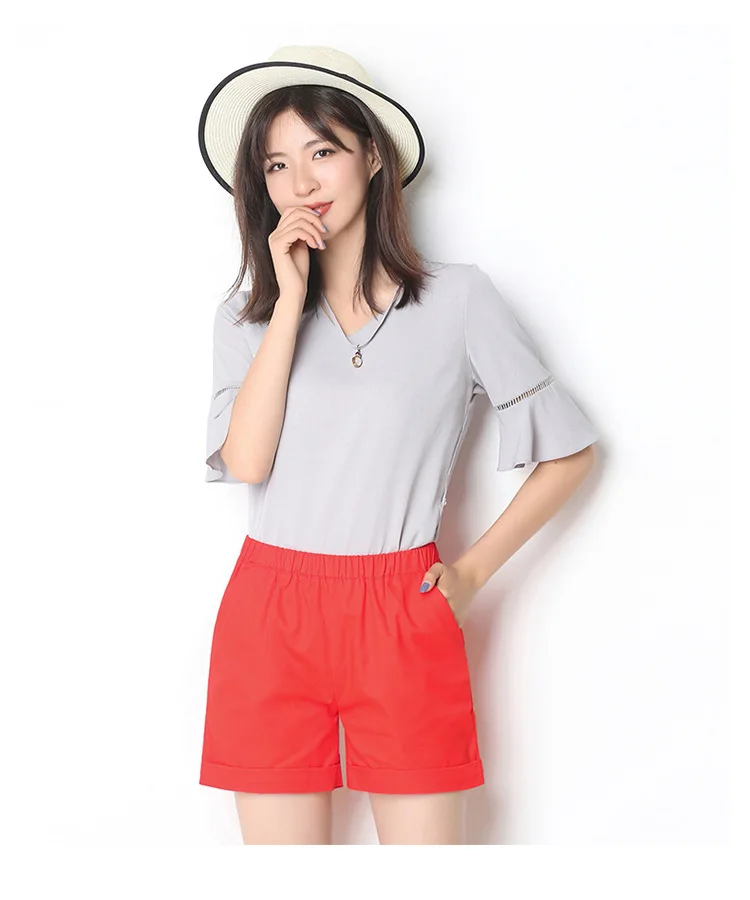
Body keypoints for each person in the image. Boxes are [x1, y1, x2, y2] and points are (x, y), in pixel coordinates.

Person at [197, 45, 600, 845]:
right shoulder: (247, 316)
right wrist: (289, 302)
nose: (301, 182)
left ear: (373, 156)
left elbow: (570, 452)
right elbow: (247, 463)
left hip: (401, 609)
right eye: (277, 165)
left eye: (322, 152)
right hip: (270, 614)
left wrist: (471, 574)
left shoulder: (459, 299)